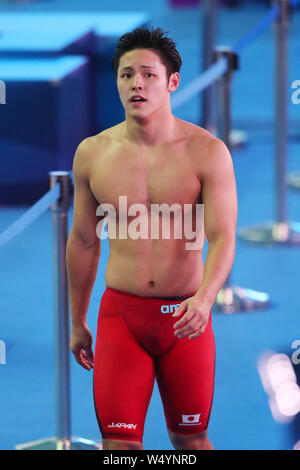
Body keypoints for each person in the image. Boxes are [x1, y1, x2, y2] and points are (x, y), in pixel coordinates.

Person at [66, 27, 237, 451]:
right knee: (119, 448)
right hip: (120, 318)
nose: (136, 84)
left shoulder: (206, 152)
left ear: (172, 82)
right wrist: (77, 320)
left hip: (185, 319)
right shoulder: (93, 152)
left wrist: (205, 299)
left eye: (147, 74)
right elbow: (85, 240)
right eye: (126, 76)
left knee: (191, 441)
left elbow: (223, 237)